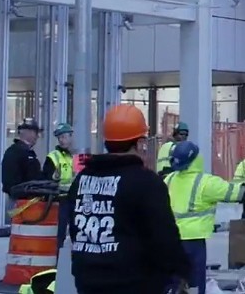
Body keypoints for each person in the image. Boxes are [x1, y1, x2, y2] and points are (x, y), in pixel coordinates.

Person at [67, 104, 190, 294]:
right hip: (134, 283)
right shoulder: (146, 182)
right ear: (140, 142)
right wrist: (181, 271)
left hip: (87, 281)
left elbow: (76, 229)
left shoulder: (82, 180)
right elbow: (164, 237)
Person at [165, 140, 245, 294]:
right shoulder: (205, 183)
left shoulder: (168, 180)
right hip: (193, 242)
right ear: (196, 159)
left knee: (172, 283)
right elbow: (241, 193)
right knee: (195, 284)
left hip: (170, 240)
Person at [43, 122, 75, 248]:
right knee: (60, 233)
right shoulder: (53, 157)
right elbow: (46, 179)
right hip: (61, 200)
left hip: (75, 200)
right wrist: (54, 178)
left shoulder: (78, 155)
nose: (62, 140)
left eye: (64, 137)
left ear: (71, 137)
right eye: (59, 137)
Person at [1, 118, 43, 204]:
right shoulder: (18, 152)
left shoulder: (20, 151)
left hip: (23, 200)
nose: (37, 136)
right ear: (27, 132)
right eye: (35, 132)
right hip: (21, 201)